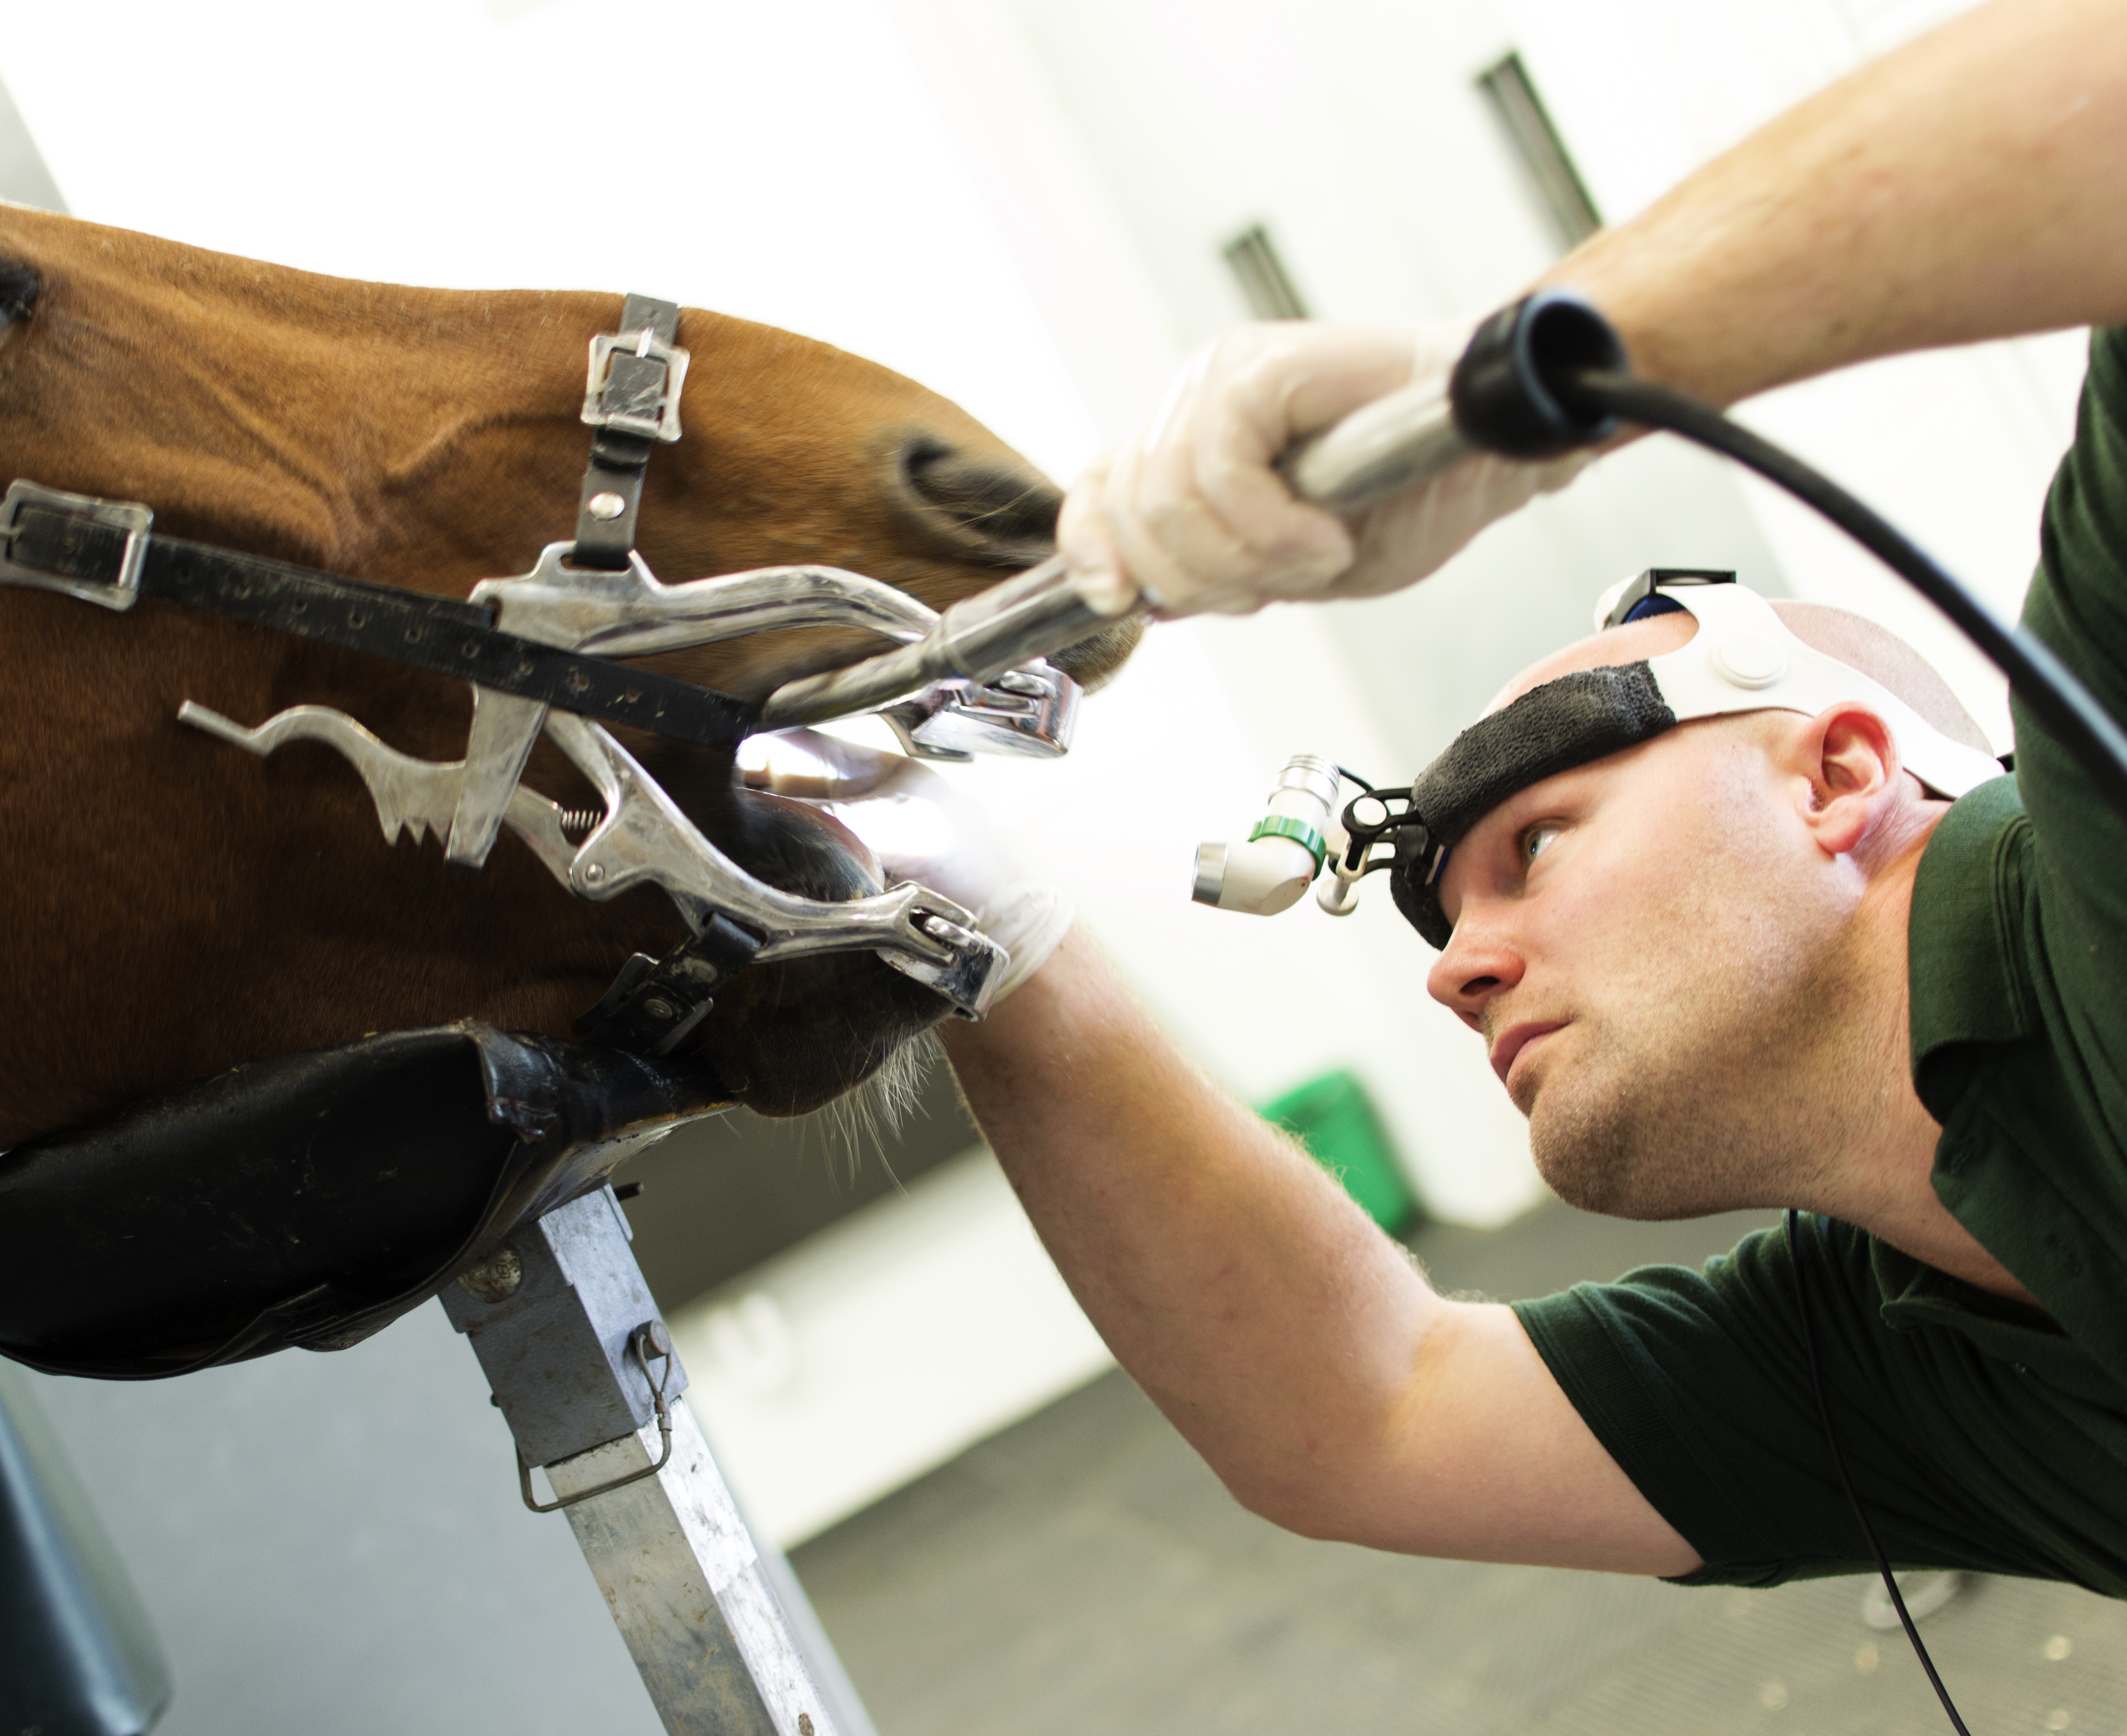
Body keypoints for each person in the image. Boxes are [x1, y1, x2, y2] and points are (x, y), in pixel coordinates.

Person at [762, 0, 2127, 1590]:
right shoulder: (1902, 1358)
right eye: (1445, 901)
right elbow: (1365, 1412)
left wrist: (1546, 379)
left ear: (1837, 774)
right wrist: (986, 925)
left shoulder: (2096, 830)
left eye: (1537, 841)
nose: (1452, 966)